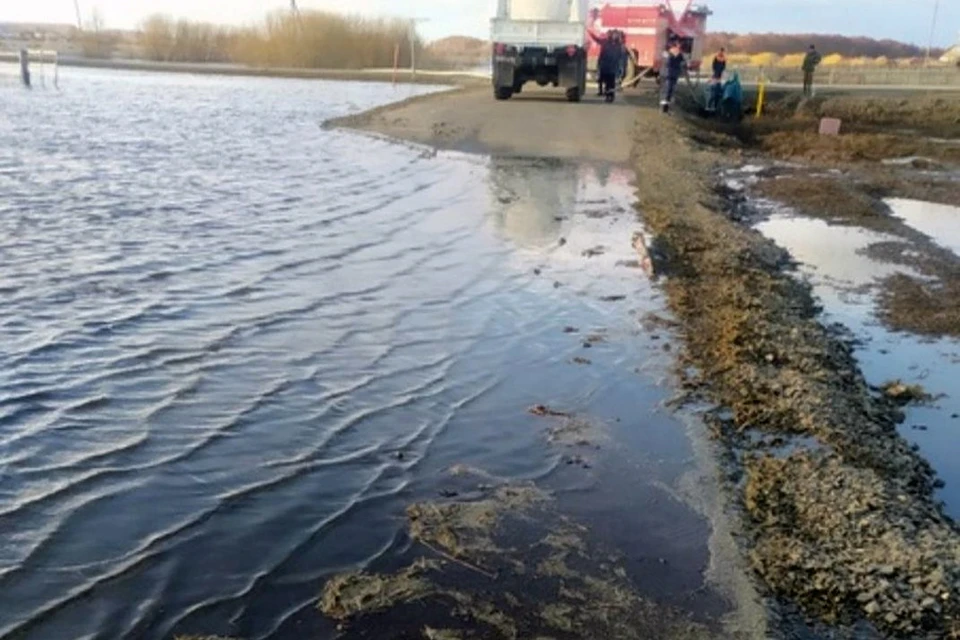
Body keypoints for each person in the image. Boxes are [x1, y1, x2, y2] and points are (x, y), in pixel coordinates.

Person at [590, 29, 623, 100]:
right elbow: (597, 39)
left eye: (615, 35)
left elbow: (620, 56)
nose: (613, 36)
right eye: (612, 35)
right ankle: (607, 95)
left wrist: (620, 66)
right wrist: (590, 33)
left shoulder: (619, 45)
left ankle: (611, 95)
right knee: (606, 81)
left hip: (613, 66)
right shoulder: (605, 42)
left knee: (611, 82)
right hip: (605, 65)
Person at [660, 39, 687, 114]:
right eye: (678, 46)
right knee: (667, 90)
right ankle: (664, 109)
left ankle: (666, 108)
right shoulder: (670, 54)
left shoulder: (677, 54)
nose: (678, 48)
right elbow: (667, 63)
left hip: (672, 74)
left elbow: (683, 63)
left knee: (670, 91)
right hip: (669, 74)